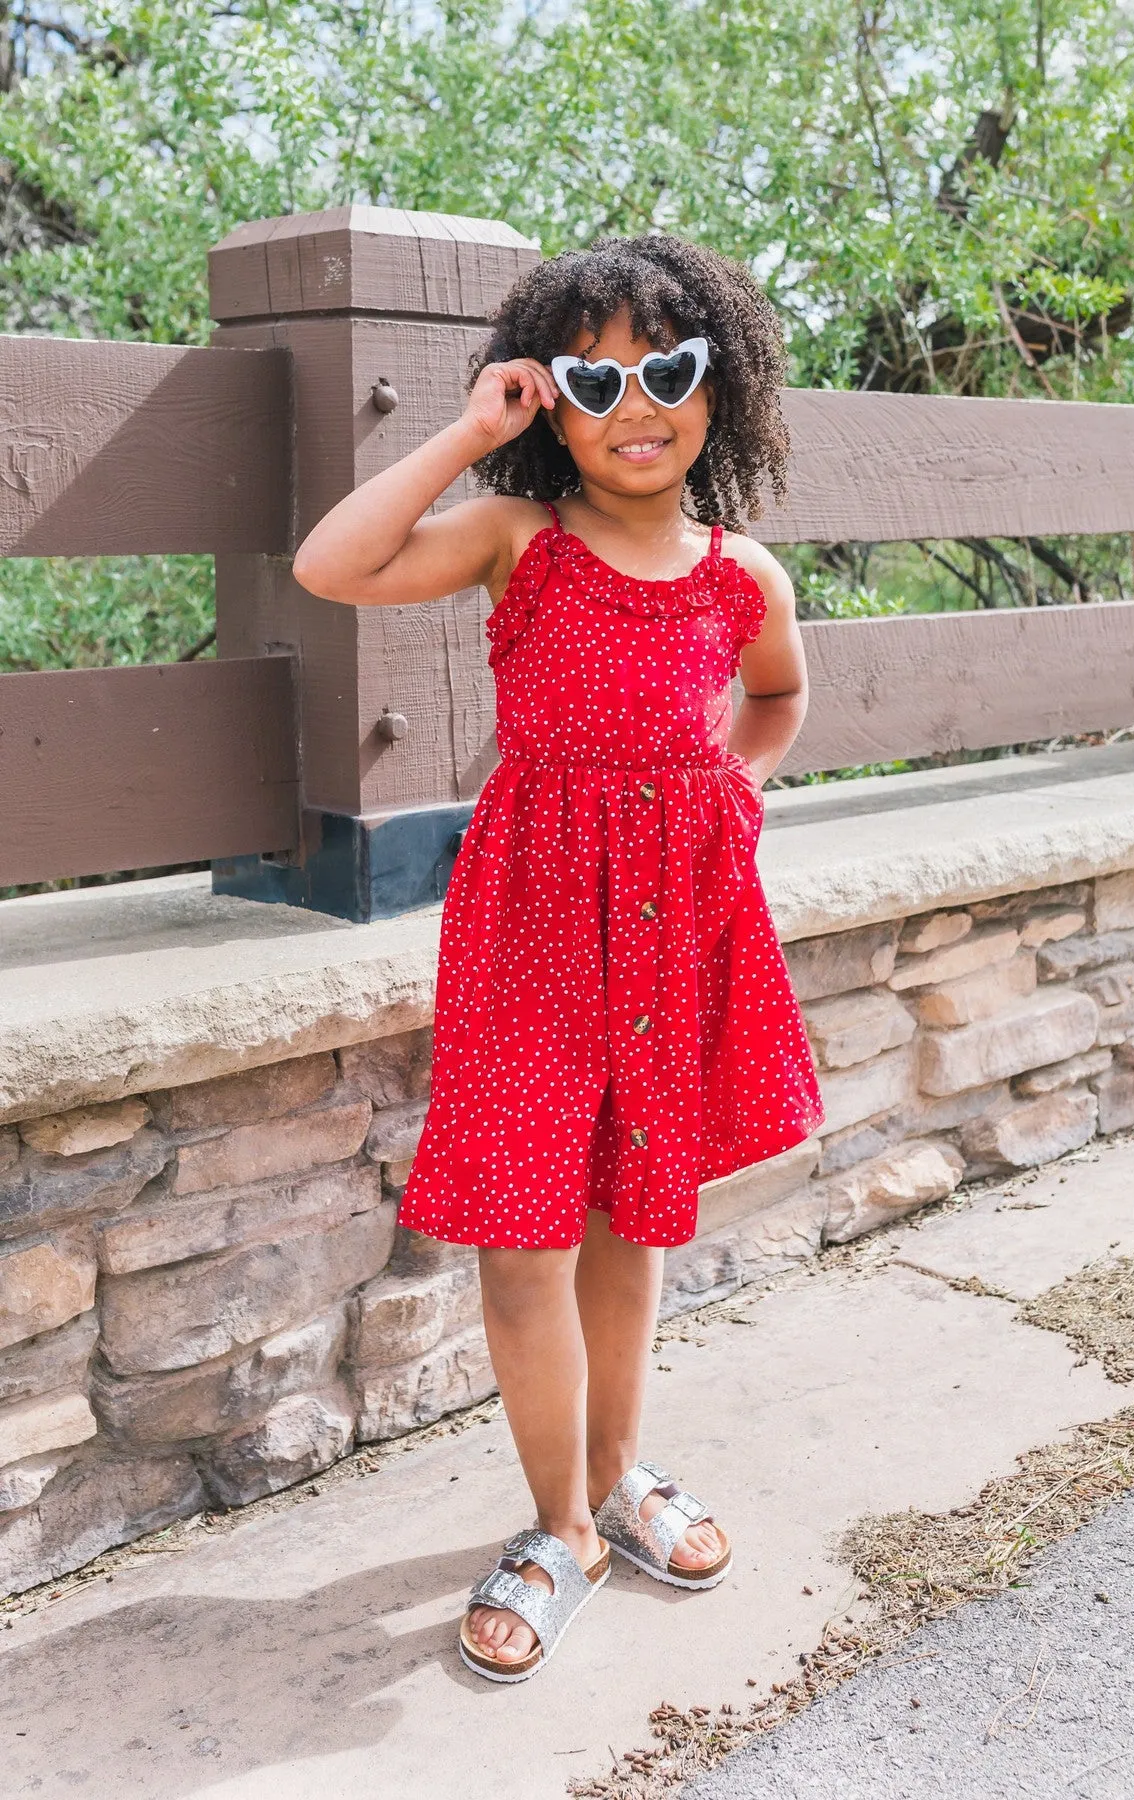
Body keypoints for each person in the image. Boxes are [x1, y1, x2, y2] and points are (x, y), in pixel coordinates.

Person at [293, 233, 825, 1684]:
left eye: (667, 367)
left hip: (670, 931)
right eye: (595, 377)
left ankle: (619, 1472)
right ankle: (557, 1529)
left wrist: (737, 787)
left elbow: (772, 701)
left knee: (628, 1225)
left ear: (719, 384)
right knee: (523, 1241)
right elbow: (332, 565)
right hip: (528, 934)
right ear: (555, 395)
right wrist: (472, 431)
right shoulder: (517, 540)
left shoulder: (742, 577)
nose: (634, 403)